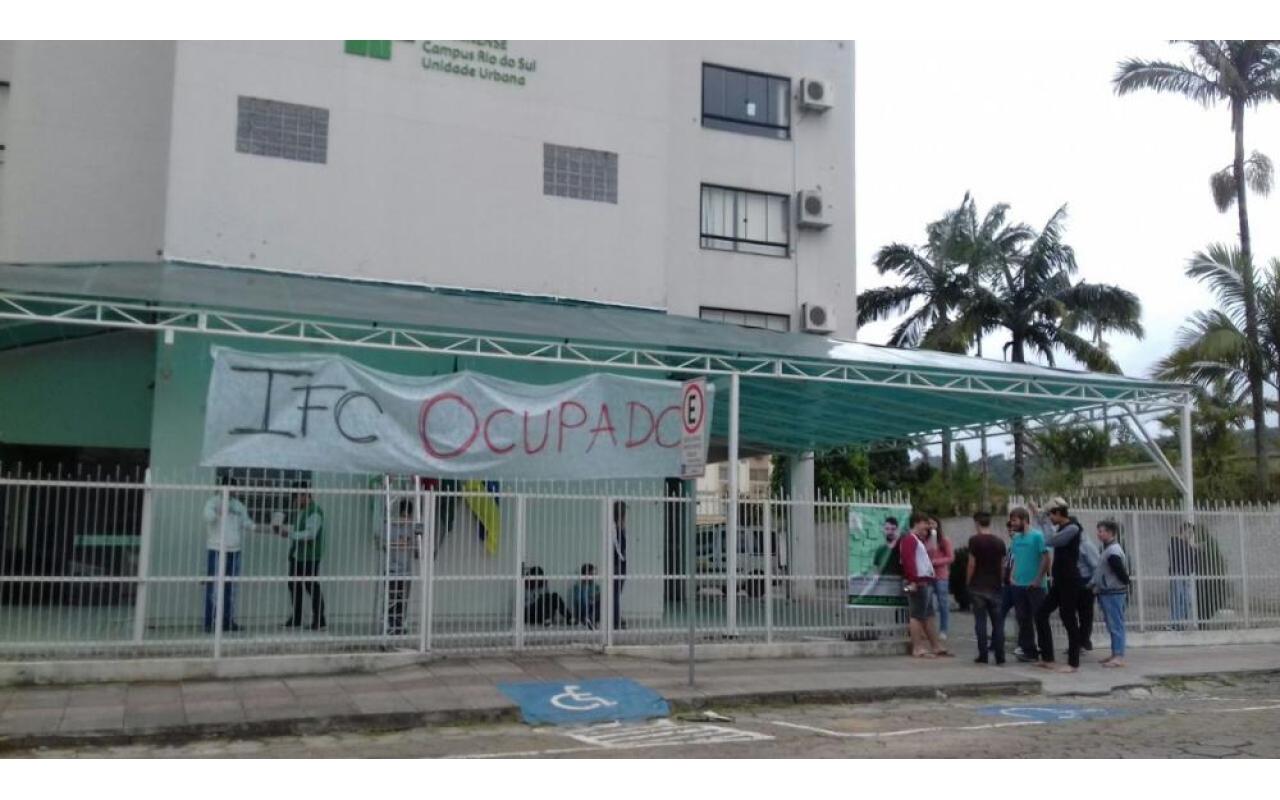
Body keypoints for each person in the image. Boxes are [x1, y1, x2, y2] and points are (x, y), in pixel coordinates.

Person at [1032, 497, 1085, 672]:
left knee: (1068, 619)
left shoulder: (1072, 529)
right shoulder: (1063, 527)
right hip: (1060, 580)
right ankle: (1047, 657)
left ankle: (1073, 663)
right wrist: (1038, 514)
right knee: (1041, 614)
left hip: (1070, 581)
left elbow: (1050, 540)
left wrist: (1043, 519)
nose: (1049, 519)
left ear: (1058, 513)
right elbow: (1048, 531)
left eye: (1050, 515)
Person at [202, 476, 259, 633]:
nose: (232, 491)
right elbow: (208, 517)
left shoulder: (238, 505)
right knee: (213, 587)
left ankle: (227, 622)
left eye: (234, 488)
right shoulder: (212, 502)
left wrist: (265, 528)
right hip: (216, 550)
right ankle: (209, 622)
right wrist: (219, 511)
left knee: (230, 588)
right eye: (229, 487)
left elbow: (247, 523)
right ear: (222, 488)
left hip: (234, 551)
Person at [898, 511, 950, 658]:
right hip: (919, 581)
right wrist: (913, 580)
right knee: (917, 615)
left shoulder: (916, 539)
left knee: (928, 615)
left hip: (925, 581)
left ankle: (935, 645)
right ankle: (918, 647)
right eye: (925, 523)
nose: (927, 527)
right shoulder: (910, 540)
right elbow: (909, 562)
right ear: (917, 522)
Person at [280, 488, 327, 630]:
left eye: (296, 498)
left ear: (305, 496)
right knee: (294, 586)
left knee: (311, 586)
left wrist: (291, 534)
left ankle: (319, 619)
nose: (295, 501)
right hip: (298, 556)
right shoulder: (302, 511)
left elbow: (311, 533)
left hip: (310, 556)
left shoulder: (315, 511)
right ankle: (296, 618)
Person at [1008, 506, 1050, 663]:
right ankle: (1029, 650)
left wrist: (1038, 578)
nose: (1012, 524)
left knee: (1039, 618)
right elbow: (1015, 559)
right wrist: (1011, 575)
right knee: (1023, 619)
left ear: (1024, 520)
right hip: (1018, 584)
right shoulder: (1016, 539)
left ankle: (1046, 651)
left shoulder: (1037, 536)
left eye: (1014, 520)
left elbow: (1046, 558)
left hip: (1035, 585)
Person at [966, 511, 1008, 665]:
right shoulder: (999, 542)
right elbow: (1002, 566)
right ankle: (1000, 655)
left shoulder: (974, 541)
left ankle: (983, 655)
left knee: (980, 622)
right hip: (995, 586)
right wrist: (1001, 580)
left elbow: (972, 564)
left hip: (978, 586)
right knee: (998, 623)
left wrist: (968, 582)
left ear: (977, 523)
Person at [1092, 520, 1131, 668]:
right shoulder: (1108, 549)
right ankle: (1115, 653)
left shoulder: (1112, 551)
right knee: (1112, 625)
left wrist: (1121, 583)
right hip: (1108, 592)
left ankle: (1119, 656)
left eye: (1101, 531)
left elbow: (1120, 572)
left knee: (1116, 625)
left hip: (1113, 593)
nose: (1098, 533)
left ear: (1110, 533)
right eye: (1099, 530)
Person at [380, 498, 421, 636]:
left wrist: (410, 543)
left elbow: (417, 548)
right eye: (403, 515)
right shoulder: (392, 526)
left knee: (403, 599)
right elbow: (386, 543)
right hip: (392, 568)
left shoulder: (413, 529)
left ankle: (400, 625)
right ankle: (390, 625)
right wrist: (400, 542)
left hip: (407, 570)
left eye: (408, 516)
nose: (405, 519)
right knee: (391, 598)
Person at [925, 516, 954, 639]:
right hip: (927, 575)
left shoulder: (944, 540)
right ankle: (928, 630)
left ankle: (943, 629)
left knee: (943, 603)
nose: (931, 526)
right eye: (929, 524)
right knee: (928, 603)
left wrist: (935, 562)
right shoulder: (924, 540)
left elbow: (950, 557)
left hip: (941, 575)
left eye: (933, 523)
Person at [1168, 523, 1199, 629]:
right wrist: (1191, 548)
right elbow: (1177, 555)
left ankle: (1181, 622)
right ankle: (1175, 623)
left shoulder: (1188, 545)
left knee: (1187, 600)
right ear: (1183, 530)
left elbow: (1192, 561)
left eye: (1192, 533)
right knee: (1177, 599)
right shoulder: (1175, 542)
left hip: (1186, 575)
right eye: (1189, 532)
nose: (1190, 535)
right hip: (1177, 574)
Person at [1076, 528, 1100, 651]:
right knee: (1070, 614)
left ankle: (1083, 641)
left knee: (1085, 615)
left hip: (1085, 582)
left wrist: (1091, 584)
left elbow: (1096, 566)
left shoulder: (1086, 545)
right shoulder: (1071, 544)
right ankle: (1079, 641)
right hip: (1074, 582)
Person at [611, 500, 627, 631]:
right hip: (618, 564)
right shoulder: (615, 527)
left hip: (619, 563)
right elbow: (617, 547)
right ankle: (615, 621)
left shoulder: (619, 527)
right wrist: (622, 557)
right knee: (615, 594)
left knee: (615, 594)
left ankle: (616, 618)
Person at [571, 563, 601, 629]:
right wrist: (591, 599)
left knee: (602, 601)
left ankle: (590, 619)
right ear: (585, 574)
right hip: (582, 611)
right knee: (586, 599)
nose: (593, 575)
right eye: (591, 573)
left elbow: (598, 598)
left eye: (593, 574)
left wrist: (593, 599)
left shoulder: (596, 586)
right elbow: (579, 602)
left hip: (592, 609)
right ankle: (588, 619)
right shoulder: (578, 586)